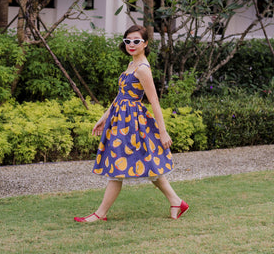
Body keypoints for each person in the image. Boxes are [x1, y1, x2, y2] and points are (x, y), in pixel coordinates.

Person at [74, 24, 189, 223]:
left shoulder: (143, 68)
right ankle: (176, 202)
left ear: (145, 44)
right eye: (128, 41)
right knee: (149, 163)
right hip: (122, 120)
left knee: (119, 167)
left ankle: (100, 214)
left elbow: (154, 101)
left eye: (136, 41)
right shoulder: (131, 65)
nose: (131, 45)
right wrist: (103, 118)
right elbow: (120, 96)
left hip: (134, 123)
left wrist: (163, 132)